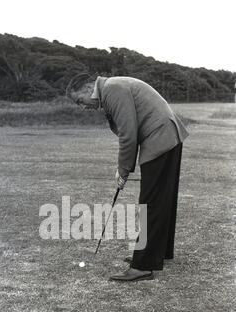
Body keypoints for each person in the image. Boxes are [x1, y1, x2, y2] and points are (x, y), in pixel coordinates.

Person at [69, 75, 189, 281]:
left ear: (89, 87)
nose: (82, 107)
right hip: (167, 136)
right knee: (161, 200)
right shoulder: (112, 88)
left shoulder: (112, 89)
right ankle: (158, 253)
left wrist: (123, 170)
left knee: (150, 203)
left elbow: (128, 134)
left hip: (161, 138)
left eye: (80, 101)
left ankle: (144, 265)